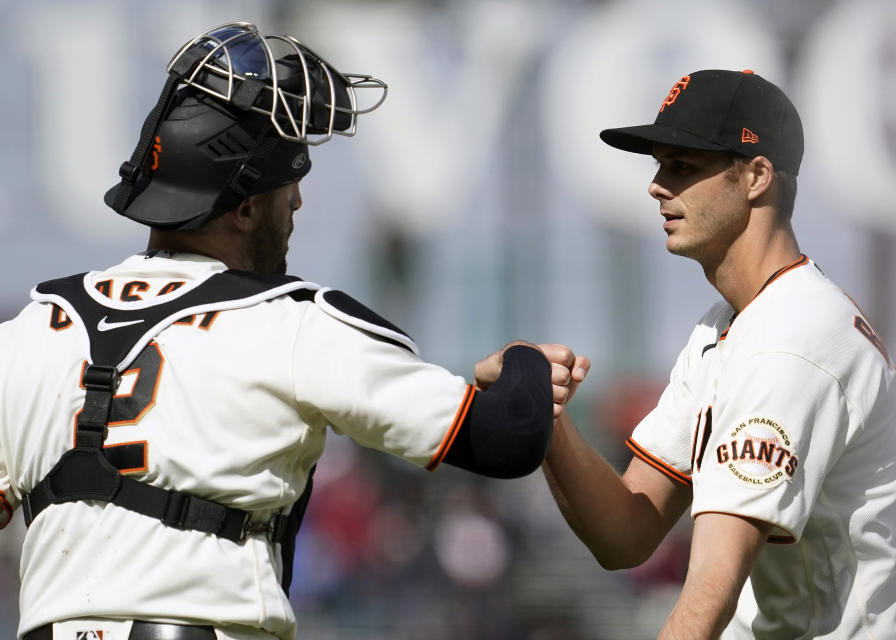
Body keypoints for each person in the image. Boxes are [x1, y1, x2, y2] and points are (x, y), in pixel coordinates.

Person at [0, 22, 570, 640]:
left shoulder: (27, 330)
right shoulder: (292, 324)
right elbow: (511, 438)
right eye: (287, 183)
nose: (296, 202)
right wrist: (524, 362)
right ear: (244, 208)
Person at [536, 69, 896, 638]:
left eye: (683, 166)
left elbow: (711, 590)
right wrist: (542, 417)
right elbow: (626, 532)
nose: (658, 186)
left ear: (757, 175)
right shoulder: (730, 326)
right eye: (660, 166)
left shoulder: (791, 340)